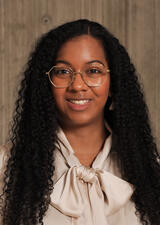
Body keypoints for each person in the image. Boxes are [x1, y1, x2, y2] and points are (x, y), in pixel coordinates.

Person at [0, 19, 160, 225]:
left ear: (113, 84)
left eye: (93, 71)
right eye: (62, 72)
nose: (77, 85)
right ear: (46, 85)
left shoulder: (151, 171)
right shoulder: (5, 167)